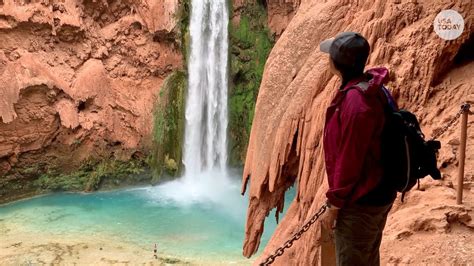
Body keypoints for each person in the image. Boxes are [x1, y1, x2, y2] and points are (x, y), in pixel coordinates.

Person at [319, 32, 398, 266]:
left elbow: (350, 161)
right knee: (368, 256)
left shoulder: (356, 104)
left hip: (362, 200)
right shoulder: (368, 88)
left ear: (338, 64)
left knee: (353, 257)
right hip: (376, 191)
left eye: (330, 56)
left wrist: (335, 204)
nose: (327, 60)